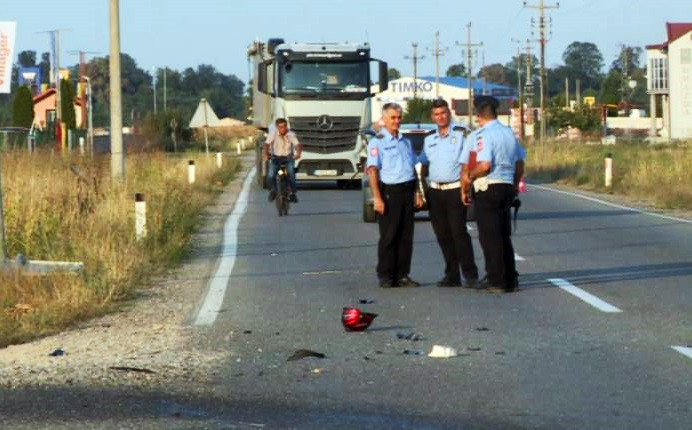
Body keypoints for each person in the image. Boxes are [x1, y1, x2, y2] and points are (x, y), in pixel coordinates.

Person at [461, 95, 526, 293]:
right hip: (506, 186)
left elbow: (485, 165)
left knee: (490, 237)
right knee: (504, 234)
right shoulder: (509, 134)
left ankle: (496, 279)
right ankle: (510, 277)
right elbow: (520, 164)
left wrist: (469, 178)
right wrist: (514, 186)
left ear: (479, 116)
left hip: (489, 187)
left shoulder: (483, 135)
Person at [418, 99, 479, 288]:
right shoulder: (429, 138)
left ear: (449, 114)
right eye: (436, 114)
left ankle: (470, 275)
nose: (440, 117)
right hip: (435, 191)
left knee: (459, 233)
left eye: (443, 113)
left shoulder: (461, 134)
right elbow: (422, 164)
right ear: (432, 117)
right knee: (442, 234)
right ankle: (451, 274)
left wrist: (466, 187)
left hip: (455, 190)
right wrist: (419, 190)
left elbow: (470, 160)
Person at [366, 103, 424, 288]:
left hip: (407, 191)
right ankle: (385, 274)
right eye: (393, 118)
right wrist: (377, 197)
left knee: (406, 236)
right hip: (390, 193)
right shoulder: (378, 142)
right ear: (384, 119)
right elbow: (373, 171)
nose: (396, 121)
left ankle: (402, 274)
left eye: (399, 118)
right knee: (389, 236)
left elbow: (413, 169)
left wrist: (417, 192)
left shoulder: (405, 142)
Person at [264, 118, 302, 203]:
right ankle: (273, 191)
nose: (283, 128)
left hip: (288, 158)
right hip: (276, 158)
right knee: (270, 175)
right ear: (277, 127)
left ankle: (293, 193)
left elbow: (297, 145)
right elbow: (266, 144)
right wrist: (266, 154)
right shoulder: (272, 134)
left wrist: (298, 154)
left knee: (291, 173)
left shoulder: (291, 134)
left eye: (284, 126)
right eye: (280, 127)